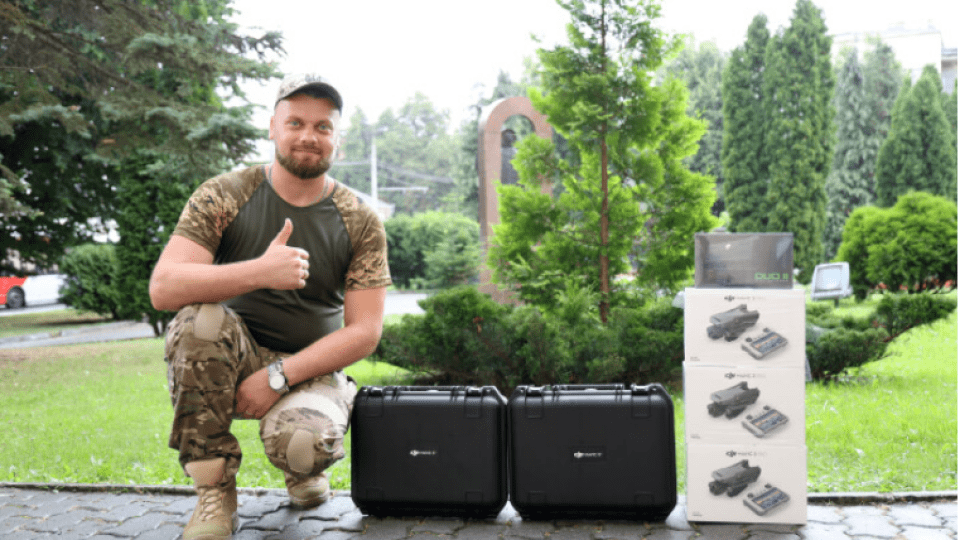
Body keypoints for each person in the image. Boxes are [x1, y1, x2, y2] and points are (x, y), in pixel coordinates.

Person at [149, 73, 391, 540]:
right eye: (296, 122)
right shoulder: (225, 194)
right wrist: (259, 271)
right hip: (232, 355)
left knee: (302, 446)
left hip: (312, 367)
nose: (308, 136)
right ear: (272, 128)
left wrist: (280, 376)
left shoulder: (360, 219)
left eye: (323, 127)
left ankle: (302, 469)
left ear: (337, 139)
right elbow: (165, 287)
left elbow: (365, 331)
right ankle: (214, 493)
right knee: (197, 321)